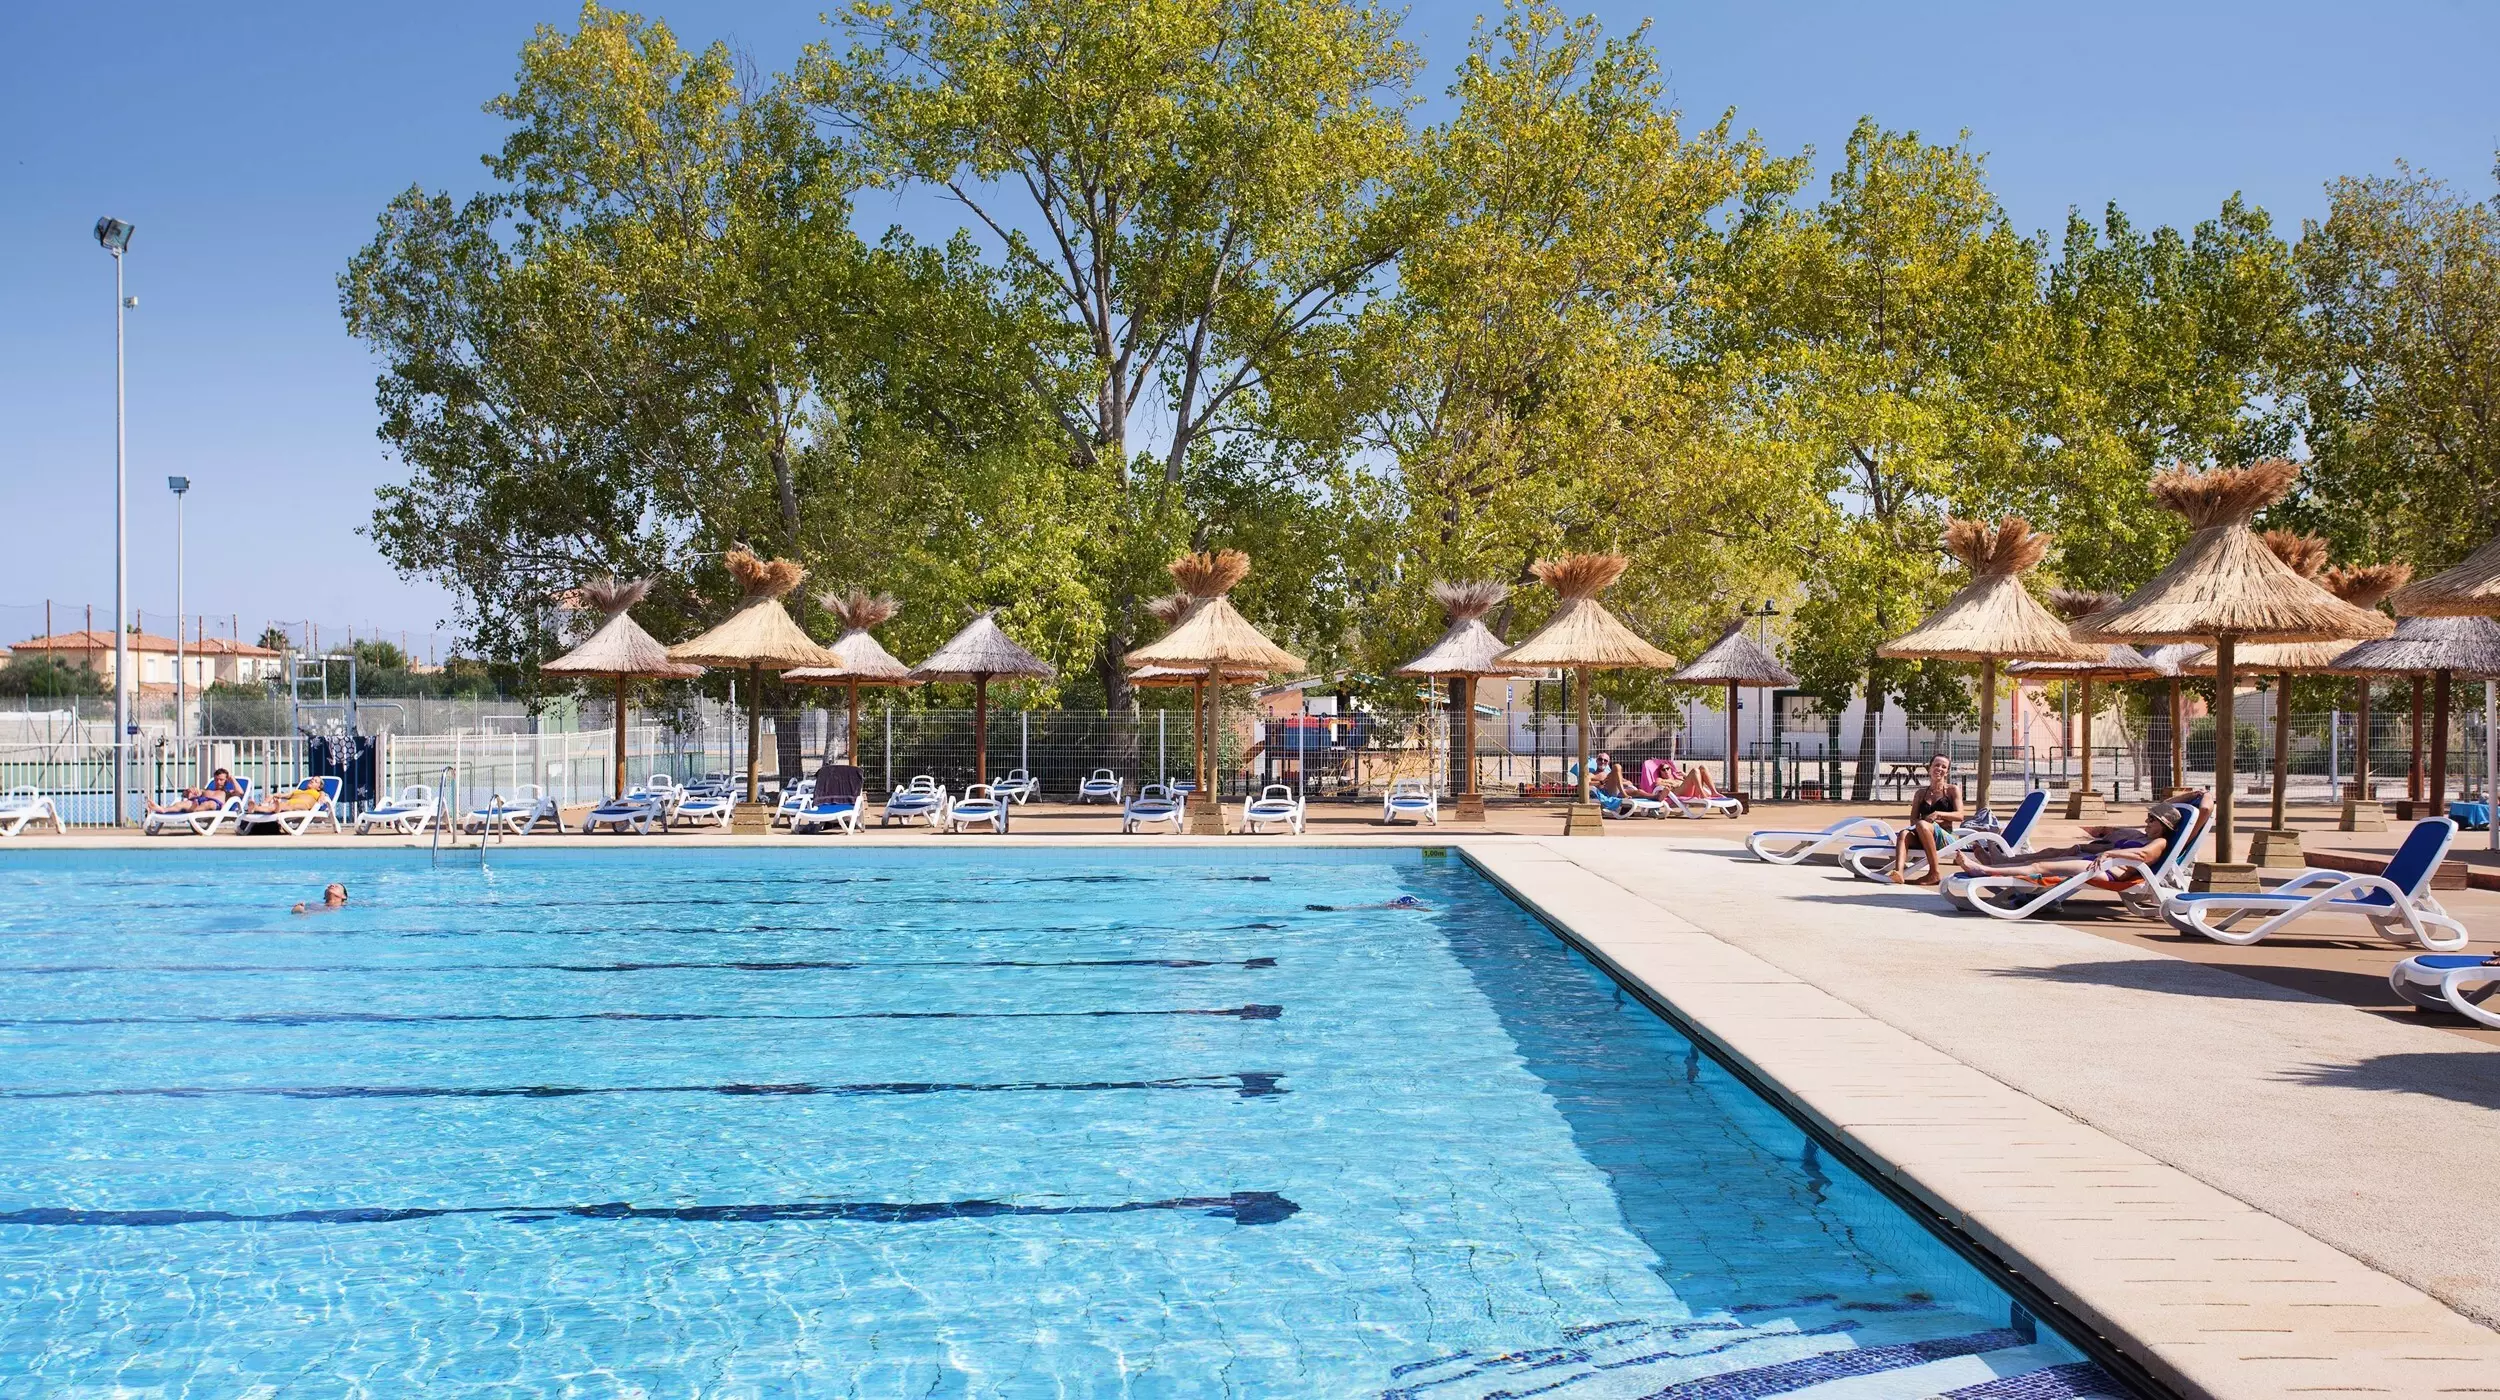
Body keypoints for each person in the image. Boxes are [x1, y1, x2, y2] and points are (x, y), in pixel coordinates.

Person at [1959, 803, 2187, 882]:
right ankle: (1997, 863)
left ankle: (1985, 870)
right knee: (2049, 854)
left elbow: (2142, 856)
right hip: (2099, 862)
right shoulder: (2145, 836)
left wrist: (2110, 855)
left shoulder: (2160, 842)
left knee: (2041, 867)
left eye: (2152, 819)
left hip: (2109, 871)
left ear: (2164, 825)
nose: (2146, 821)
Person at [1888, 754, 1963, 885]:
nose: (1939, 769)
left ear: (1947, 772)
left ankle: (1934, 873)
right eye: (1936, 765)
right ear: (1929, 768)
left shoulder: (1952, 790)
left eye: (1944, 767)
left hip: (1945, 837)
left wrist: (1938, 814)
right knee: (1904, 833)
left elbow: (1960, 816)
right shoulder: (1920, 793)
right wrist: (1924, 824)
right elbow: (1913, 819)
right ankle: (1899, 872)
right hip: (1923, 834)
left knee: (1922, 824)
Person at [147, 767, 243, 815]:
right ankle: (163, 809)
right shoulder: (205, 790)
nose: (218, 782)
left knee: (209, 803)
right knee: (183, 803)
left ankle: (193, 810)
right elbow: (185, 794)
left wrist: (233, 779)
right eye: (216, 779)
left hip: (214, 804)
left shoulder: (227, 793)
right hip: (198, 802)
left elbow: (240, 793)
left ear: (226, 780)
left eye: (221, 780)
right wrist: (189, 791)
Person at [249, 782, 328, 816]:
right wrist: (273, 795)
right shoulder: (298, 791)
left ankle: (257, 808)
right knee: (280, 805)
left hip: (303, 806)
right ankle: (256, 807)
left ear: (318, 787)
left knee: (283, 806)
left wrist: (322, 795)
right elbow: (283, 795)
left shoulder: (318, 793)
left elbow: (324, 797)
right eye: (312, 779)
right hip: (289, 803)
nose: (312, 781)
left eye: (315, 781)